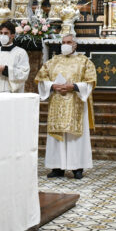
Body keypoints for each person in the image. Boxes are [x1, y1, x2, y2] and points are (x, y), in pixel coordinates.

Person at [36, 34, 97, 179]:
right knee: (58, 137)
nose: (65, 45)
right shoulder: (53, 61)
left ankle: (77, 167)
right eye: (63, 42)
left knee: (74, 137)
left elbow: (90, 82)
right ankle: (57, 167)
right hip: (57, 102)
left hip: (75, 102)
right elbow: (41, 79)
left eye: (68, 42)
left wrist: (74, 86)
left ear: (75, 45)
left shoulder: (84, 62)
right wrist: (53, 85)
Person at [0, 20, 30, 92]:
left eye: (6, 33)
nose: (3, 36)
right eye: (1, 33)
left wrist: (5, 69)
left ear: (12, 35)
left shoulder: (21, 53)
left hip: (12, 93)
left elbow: (24, 74)